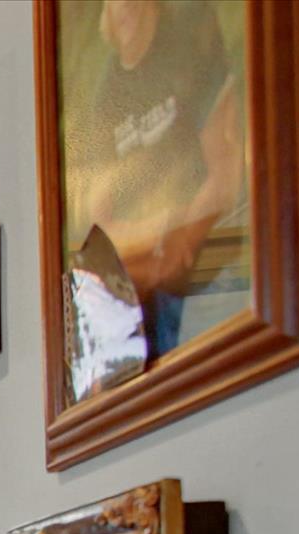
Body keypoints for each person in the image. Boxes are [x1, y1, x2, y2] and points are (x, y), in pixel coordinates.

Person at [72, 0, 245, 357]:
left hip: (212, 262)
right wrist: (157, 238)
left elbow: (225, 169)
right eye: (119, 17)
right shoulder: (109, 91)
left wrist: (178, 237)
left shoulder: (187, 42)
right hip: (145, 282)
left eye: (133, 11)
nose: (128, 24)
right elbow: (99, 219)